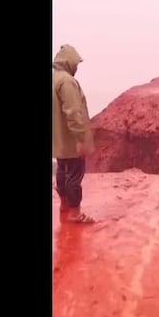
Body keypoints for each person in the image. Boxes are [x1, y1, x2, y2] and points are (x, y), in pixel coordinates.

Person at [52, 44, 96, 223]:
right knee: (74, 175)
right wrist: (80, 138)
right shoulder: (67, 81)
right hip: (71, 140)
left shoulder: (54, 79)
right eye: (76, 63)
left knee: (62, 171)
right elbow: (73, 112)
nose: (77, 67)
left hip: (58, 139)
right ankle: (75, 213)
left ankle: (64, 205)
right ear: (68, 62)